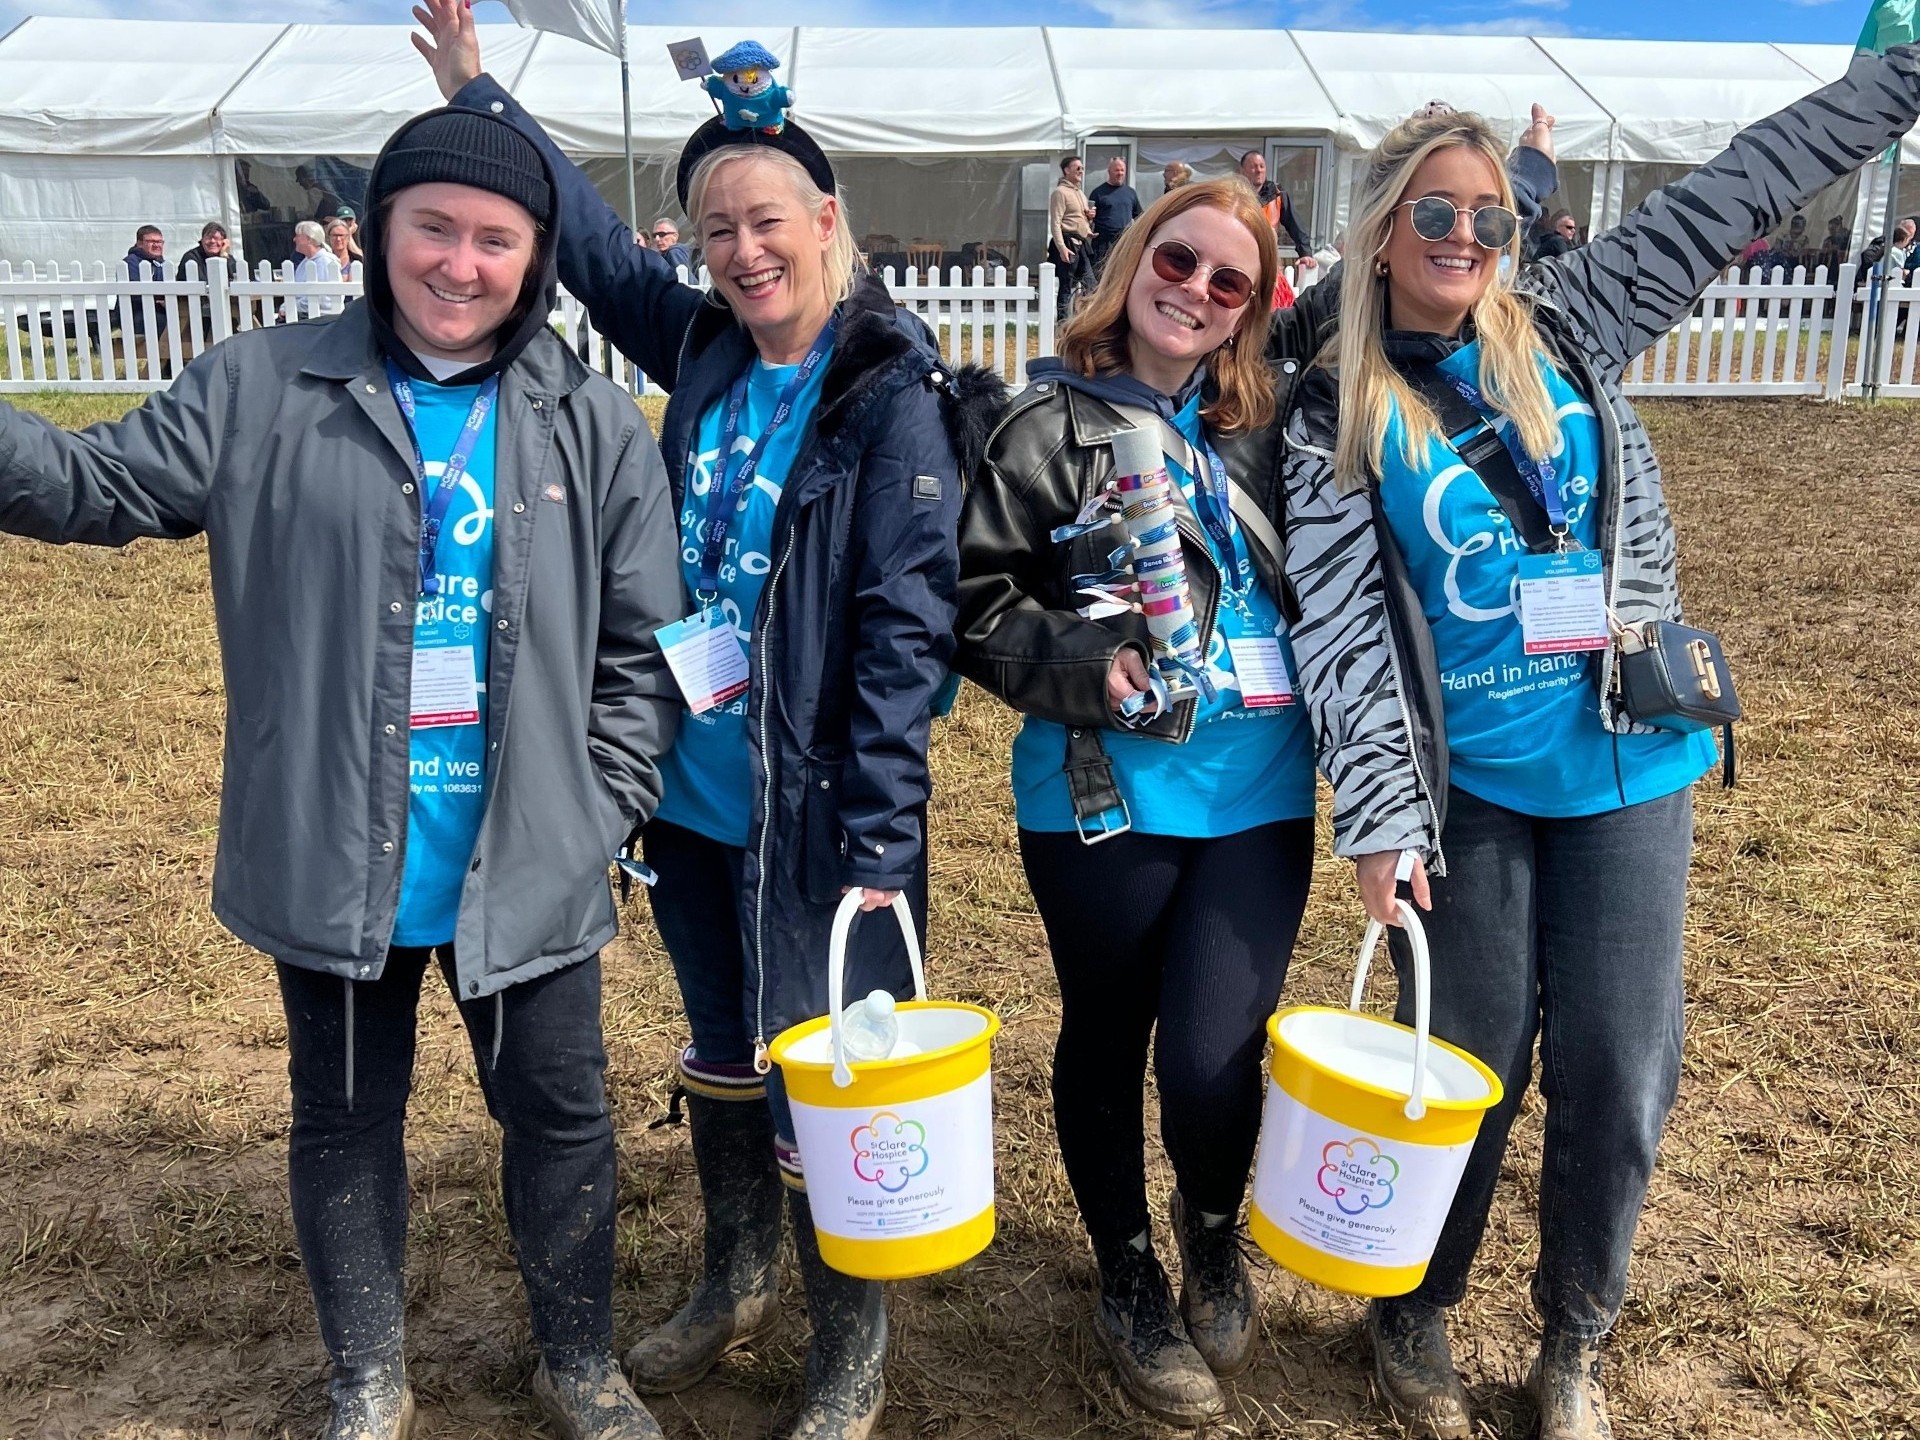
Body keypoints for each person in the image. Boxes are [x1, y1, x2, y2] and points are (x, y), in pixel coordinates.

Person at [0, 103, 686, 1440]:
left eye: (497, 239)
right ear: (379, 233)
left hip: (527, 855)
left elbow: (650, 651)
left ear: (536, 257)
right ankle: (368, 1376)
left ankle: (581, 1359)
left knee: (563, 1119)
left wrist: (600, 799)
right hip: (332, 844)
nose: (459, 263)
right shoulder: (263, 387)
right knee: (345, 1119)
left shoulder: (590, 421)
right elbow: (93, 485)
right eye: (433, 226)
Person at [1277, 44, 1920, 1440]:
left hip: (1632, 767)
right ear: (1382, 231)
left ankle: (1575, 1338)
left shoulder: (1570, 321)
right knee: (1465, 1061)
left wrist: (1899, 81)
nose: (1464, 239)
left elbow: (1744, 185)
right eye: (1434, 215)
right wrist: (1384, 822)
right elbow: (1338, 629)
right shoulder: (1335, 406)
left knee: (1624, 1068)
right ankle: (1417, 1311)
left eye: (1489, 217)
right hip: (1475, 789)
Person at [413, 6, 1002, 1438]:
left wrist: (877, 831)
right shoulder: (713, 355)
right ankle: (736, 1271)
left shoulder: (888, 394)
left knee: (835, 1074)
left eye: (768, 222)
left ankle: (845, 1346)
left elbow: (905, 635)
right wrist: (482, 94)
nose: (744, 252)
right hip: (692, 794)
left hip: (821, 816)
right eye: (717, 230)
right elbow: (599, 252)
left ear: (827, 219)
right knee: (726, 1042)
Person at [955, 178, 1313, 1429]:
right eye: (1178, 260)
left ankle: (1208, 1227)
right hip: (1099, 794)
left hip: (1261, 792)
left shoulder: (1268, 426)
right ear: (1130, 260)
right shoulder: (1042, 426)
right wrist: (1079, 666)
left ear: (1254, 309)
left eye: (1232, 282)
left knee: (1215, 1059)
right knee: (1106, 1033)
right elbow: (975, 608)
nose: (1197, 292)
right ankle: (1126, 1274)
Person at [1237, 150, 1316, 272]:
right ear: (1242, 171)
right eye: (1253, 167)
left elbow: (1296, 226)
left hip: (1268, 261)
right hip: (1239, 260)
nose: (1259, 170)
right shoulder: (1234, 195)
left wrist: (1305, 253)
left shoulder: (1277, 194)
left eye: (1262, 166)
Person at [177, 221, 243, 344]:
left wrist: (224, 256)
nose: (213, 241)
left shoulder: (226, 257)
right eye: (209, 238)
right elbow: (204, 284)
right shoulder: (191, 257)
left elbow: (236, 278)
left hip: (221, 306)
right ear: (202, 240)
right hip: (195, 309)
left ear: (224, 242)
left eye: (217, 239)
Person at [1049, 154, 1095, 320]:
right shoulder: (1060, 193)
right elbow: (1055, 223)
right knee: (1066, 286)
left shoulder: (1081, 194)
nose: (1081, 171)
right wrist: (1062, 248)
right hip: (1068, 244)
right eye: (1077, 168)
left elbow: (1077, 220)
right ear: (1067, 170)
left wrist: (1089, 221)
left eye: (1082, 168)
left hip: (1081, 244)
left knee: (1090, 285)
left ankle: (1083, 320)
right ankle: (1062, 324)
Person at [1087, 156, 1142, 275]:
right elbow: (1088, 219)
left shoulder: (1130, 193)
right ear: (1109, 171)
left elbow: (1139, 216)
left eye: (1122, 170)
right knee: (1100, 274)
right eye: (1117, 170)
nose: (1120, 173)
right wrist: (1090, 218)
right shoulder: (1098, 193)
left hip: (1123, 241)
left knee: (1121, 274)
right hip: (1103, 242)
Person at [118, 225, 169, 345]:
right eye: (151, 241)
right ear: (139, 243)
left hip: (160, 311)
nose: (156, 245)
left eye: (159, 242)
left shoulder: (163, 264)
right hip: (135, 315)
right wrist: (160, 299)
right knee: (168, 324)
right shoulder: (130, 263)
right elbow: (135, 293)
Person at [286, 220, 344, 321]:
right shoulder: (304, 263)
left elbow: (321, 297)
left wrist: (291, 307)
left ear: (309, 239)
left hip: (323, 319)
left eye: (298, 236)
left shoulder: (325, 262)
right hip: (304, 315)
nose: (294, 239)